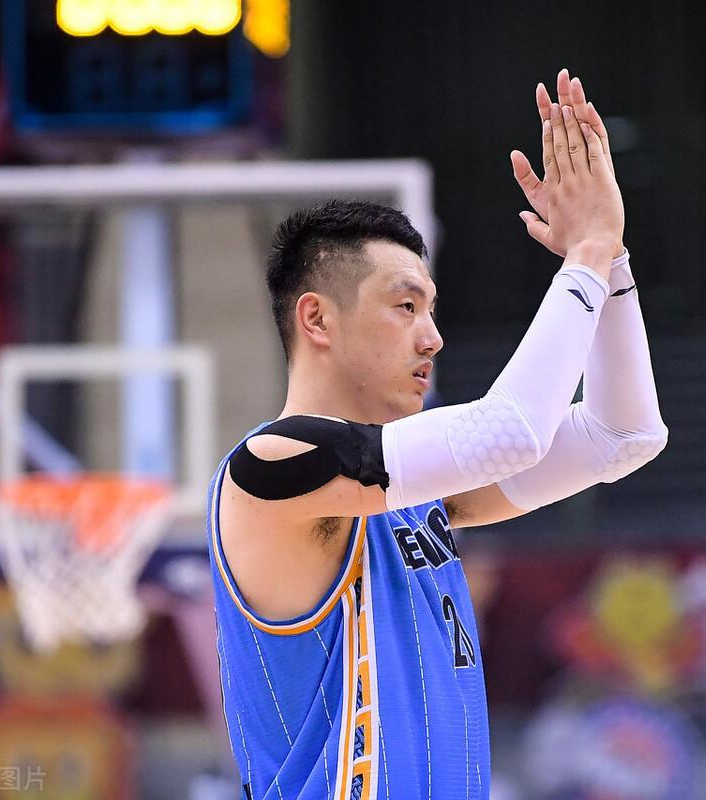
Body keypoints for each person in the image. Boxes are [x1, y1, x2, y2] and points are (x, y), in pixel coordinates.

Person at [208, 69, 667, 800]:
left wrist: (612, 259)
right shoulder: (271, 468)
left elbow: (625, 436)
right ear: (317, 318)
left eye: (432, 310)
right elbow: (510, 431)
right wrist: (583, 255)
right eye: (405, 307)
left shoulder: (417, 495)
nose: (432, 337)